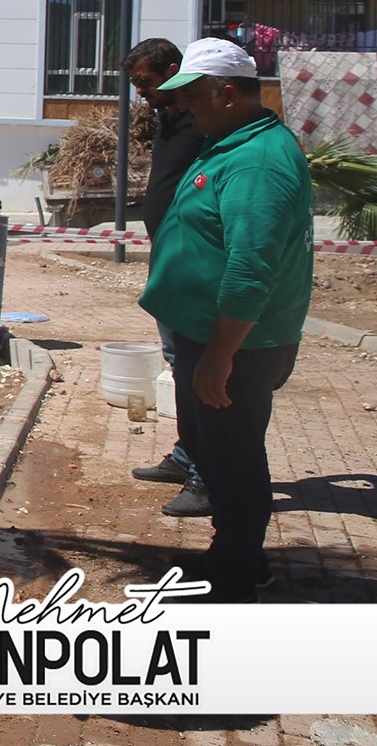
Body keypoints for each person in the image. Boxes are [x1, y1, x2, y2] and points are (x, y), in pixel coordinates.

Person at [138, 38, 313, 602]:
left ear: (228, 93)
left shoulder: (258, 161)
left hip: (235, 345)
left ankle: (237, 573)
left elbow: (251, 266)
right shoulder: (234, 143)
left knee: (234, 459)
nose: (183, 107)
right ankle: (233, 555)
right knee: (220, 453)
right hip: (215, 337)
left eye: (191, 95)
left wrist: (218, 354)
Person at [122, 38, 213, 518]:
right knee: (178, 360)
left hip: (192, 261)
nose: (140, 92)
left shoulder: (201, 121)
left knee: (198, 367)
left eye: (145, 82)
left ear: (174, 71)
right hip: (171, 257)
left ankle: (207, 475)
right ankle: (187, 455)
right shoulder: (172, 117)